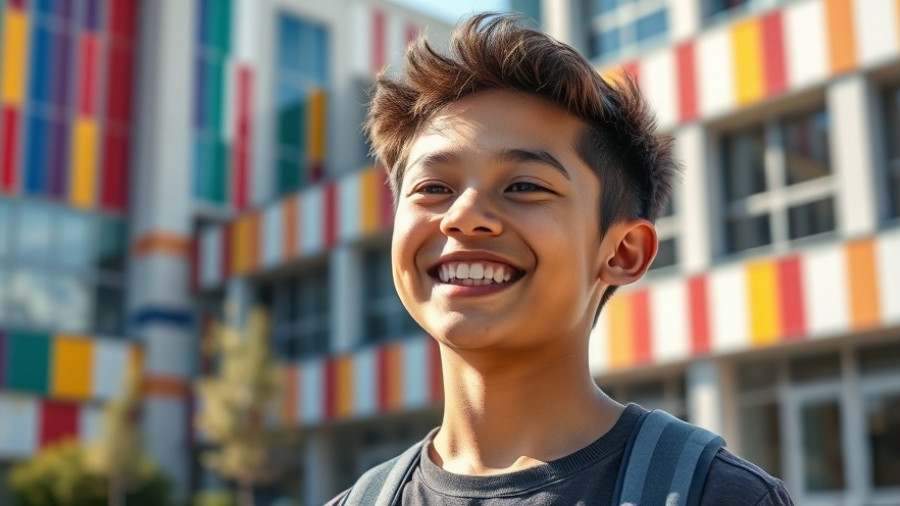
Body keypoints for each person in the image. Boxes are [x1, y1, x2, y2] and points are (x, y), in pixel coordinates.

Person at [326, 12, 793, 505]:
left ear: (622, 252)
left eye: (524, 186)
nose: (462, 216)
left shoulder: (717, 495)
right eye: (433, 188)